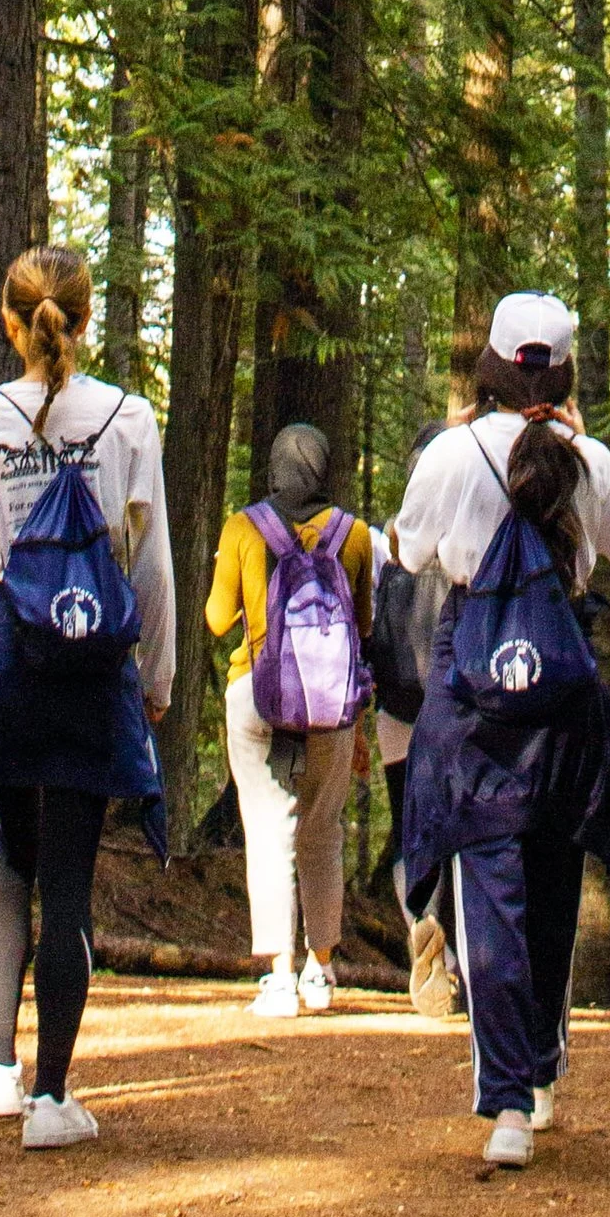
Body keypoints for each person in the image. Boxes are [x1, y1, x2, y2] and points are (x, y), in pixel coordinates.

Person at [0, 245, 174, 1154]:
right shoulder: (128, 419)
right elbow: (154, 565)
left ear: (11, 326)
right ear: (84, 323)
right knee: (71, 881)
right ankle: (54, 1098)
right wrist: (158, 680)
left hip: (9, 663)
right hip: (93, 670)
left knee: (5, 865)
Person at [393, 292, 610, 1170]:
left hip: (476, 689)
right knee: (552, 875)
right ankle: (539, 1080)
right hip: (563, 686)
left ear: (492, 367)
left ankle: (504, 1105)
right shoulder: (591, 460)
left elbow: (407, 552)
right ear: (566, 371)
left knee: (488, 882)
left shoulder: (453, 454)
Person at [207, 418, 374, 1014]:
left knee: (268, 828)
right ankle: (321, 972)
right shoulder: (354, 536)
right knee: (322, 830)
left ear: (273, 467)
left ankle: (278, 976)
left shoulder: (244, 528)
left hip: (257, 693)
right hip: (331, 702)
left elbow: (216, 618)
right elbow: (362, 626)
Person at [373, 416, 458, 1014]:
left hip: (396, 706)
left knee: (408, 828)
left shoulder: (391, 536)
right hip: (454, 707)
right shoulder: (468, 534)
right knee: (457, 827)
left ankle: (418, 933)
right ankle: (452, 954)